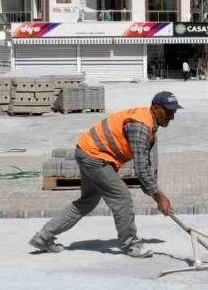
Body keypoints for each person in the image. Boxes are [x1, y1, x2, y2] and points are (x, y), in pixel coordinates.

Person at [29, 91, 180, 257]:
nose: (171, 117)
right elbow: (141, 167)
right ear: (156, 108)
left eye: (174, 112)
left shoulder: (148, 120)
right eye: (168, 112)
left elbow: (144, 163)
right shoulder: (141, 125)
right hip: (95, 157)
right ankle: (130, 244)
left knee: (87, 201)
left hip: (88, 151)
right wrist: (159, 196)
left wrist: (154, 193)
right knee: (122, 198)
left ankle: (43, 237)